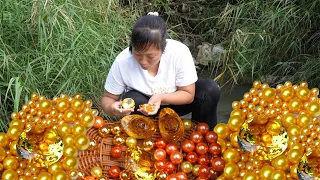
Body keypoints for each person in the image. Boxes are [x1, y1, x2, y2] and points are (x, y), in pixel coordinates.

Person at [101, 13, 221, 129]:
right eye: (137, 54)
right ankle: (143, 135)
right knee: (133, 98)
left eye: (150, 56)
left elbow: (188, 94)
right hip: (143, 109)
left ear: (164, 47)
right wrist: (112, 108)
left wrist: (161, 98)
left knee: (209, 90)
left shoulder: (179, 52)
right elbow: (108, 98)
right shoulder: (123, 61)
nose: (143, 61)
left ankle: (204, 138)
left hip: (177, 105)